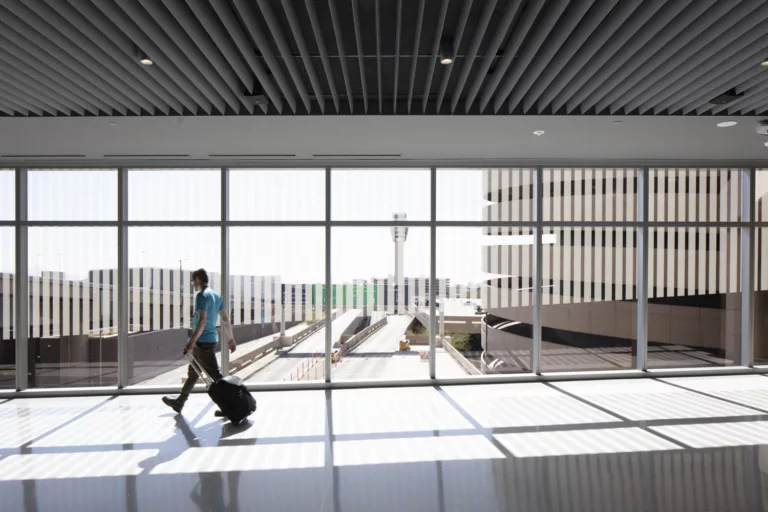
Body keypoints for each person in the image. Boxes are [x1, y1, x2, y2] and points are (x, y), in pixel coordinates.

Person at [163, 268, 236, 415]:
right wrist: (231, 339)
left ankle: (231, 406)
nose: (192, 284)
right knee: (193, 373)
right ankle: (180, 402)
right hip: (209, 340)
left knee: (216, 377)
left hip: (202, 342)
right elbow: (226, 320)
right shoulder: (216, 296)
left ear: (197, 279)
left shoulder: (201, 296)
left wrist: (191, 343)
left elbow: (202, 322)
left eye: (192, 281)